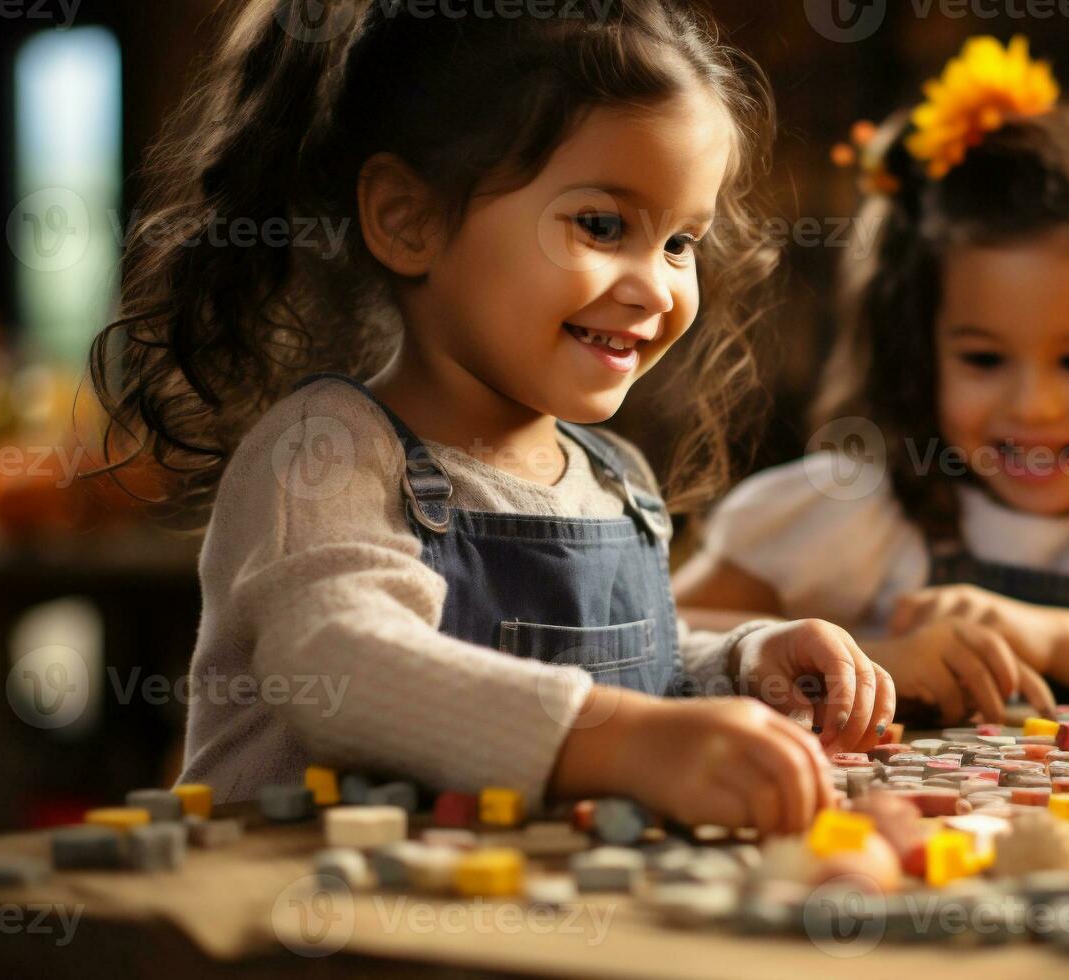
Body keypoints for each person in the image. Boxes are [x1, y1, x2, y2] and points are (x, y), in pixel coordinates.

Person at [89, 0, 892, 836]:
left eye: (681, 242)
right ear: (409, 220)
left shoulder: (612, 476)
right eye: (601, 224)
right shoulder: (327, 452)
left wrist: (739, 665)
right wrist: (634, 742)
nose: (656, 288)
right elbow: (341, 667)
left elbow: (614, 677)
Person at [675, 37, 1069, 720]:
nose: (1033, 407)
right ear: (919, 353)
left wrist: (1045, 634)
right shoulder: (866, 509)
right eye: (983, 360)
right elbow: (659, 635)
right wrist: (872, 658)